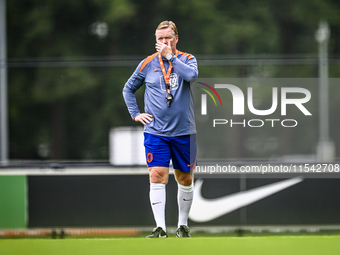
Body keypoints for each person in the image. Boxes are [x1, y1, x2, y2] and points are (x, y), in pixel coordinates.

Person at [122, 20, 198, 238]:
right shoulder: (147, 63)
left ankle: (182, 226)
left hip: (184, 131)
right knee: (157, 174)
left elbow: (191, 76)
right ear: (155, 40)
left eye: (168, 38)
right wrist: (135, 113)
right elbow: (128, 89)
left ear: (176, 39)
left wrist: (170, 56)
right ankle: (160, 228)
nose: (164, 42)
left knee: (185, 178)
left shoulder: (187, 59)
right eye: (160, 39)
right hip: (156, 131)